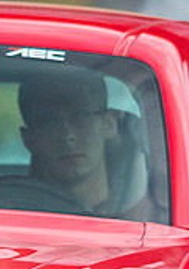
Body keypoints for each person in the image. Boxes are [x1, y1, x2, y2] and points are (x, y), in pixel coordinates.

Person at [16, 69, 139, 215]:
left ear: (109, 123)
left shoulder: (144, 216)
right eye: (50, 122)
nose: (68, 135)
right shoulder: (8, 216)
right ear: (29, 138)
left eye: (82, 117)